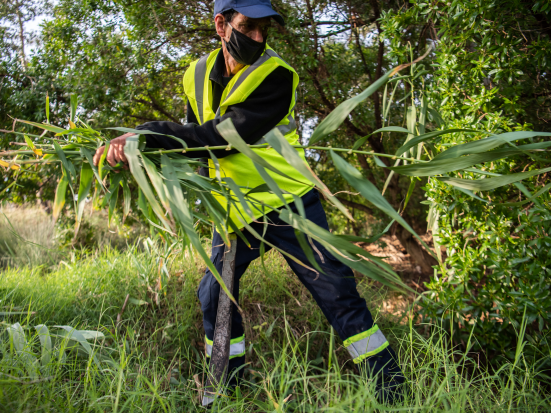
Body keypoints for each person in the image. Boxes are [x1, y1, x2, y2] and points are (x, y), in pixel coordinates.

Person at [93, 0, 405, 404]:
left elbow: (223, 138)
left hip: (289, 204)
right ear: (221, 25)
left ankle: (391, 391)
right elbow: (194, 138)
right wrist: (135, 156)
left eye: (264, 29)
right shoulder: (196, 74)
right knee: (213, 296)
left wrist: (147, 134)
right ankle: (228, 389)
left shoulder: (277, 76)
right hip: (235, 210)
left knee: (336, 292)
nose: (257, 37)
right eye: (248, 27)